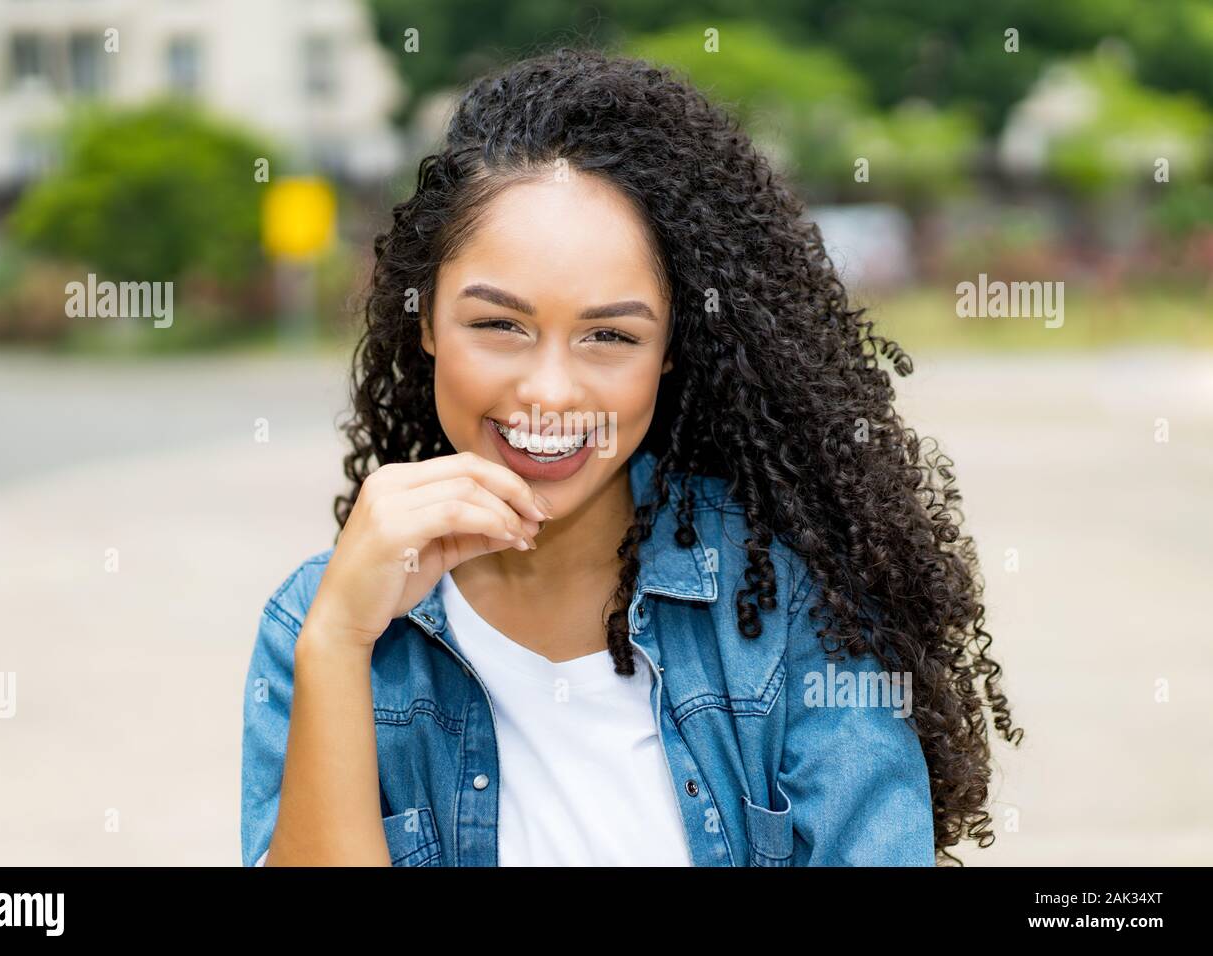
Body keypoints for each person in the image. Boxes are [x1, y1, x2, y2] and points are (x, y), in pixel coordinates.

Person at [241, 47, 1023, 867]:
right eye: (500, 325)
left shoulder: (794, 607)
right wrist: (338, 641)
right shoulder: (315, 622)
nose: (549, 391)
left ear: (672, 350)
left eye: (610, 336)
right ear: (427, 321)